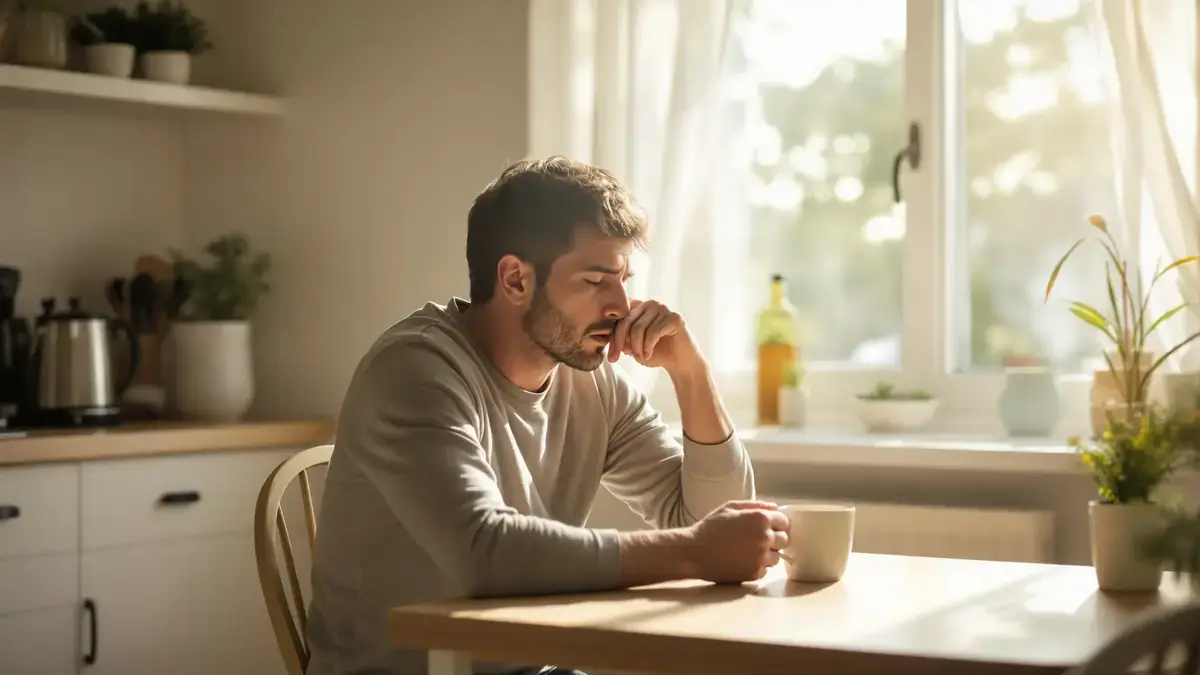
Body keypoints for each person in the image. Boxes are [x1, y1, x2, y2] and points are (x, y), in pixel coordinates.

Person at [305, 156, 790, 675]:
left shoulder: (589, 380)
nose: (622, 305)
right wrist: (693, 552)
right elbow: (484, 551)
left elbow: (713, 519)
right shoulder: (414, 371)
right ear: (515, 279)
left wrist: (691, 375)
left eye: (625, 278)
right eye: (596, 280)